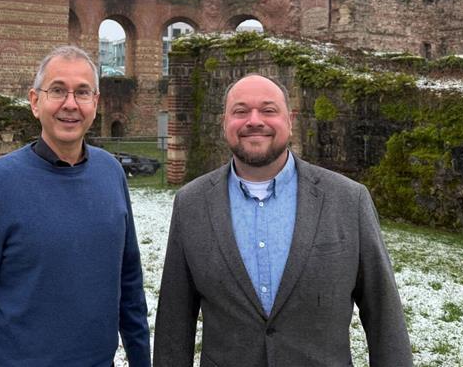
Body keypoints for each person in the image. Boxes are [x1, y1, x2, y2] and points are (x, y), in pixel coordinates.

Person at [153, 74, 412, 366]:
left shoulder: (348, 200)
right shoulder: (192, 204)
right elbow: (174, 325)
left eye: (268, 110)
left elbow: (384, 315)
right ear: (224, 122)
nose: (254, 120)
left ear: (290, 120)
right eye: (240, 111)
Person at [0, 45, 151, 367]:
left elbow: (129, 282)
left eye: (82, 92)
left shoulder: (111, 173)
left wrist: (141, 359)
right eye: (57, 91)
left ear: (95, 102)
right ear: (35, 102)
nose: (70, 104)